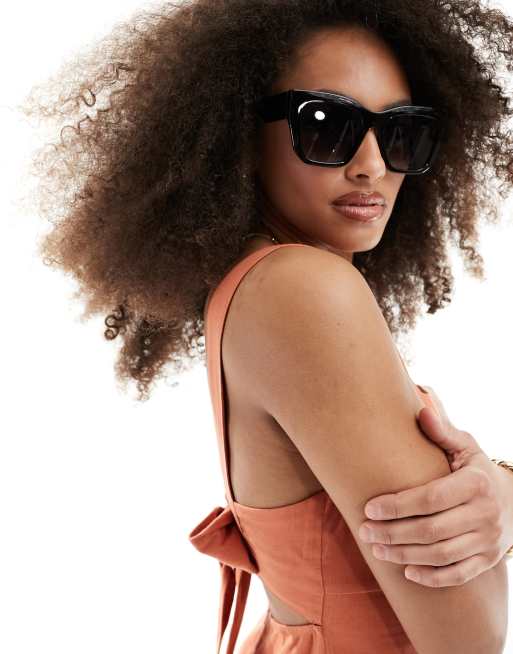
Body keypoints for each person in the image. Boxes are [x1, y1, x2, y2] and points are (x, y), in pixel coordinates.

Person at [19, 0, 513, 652]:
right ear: (239, 133)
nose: (371, 164)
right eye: (326, 124)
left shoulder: (259, 285)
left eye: (401, 132)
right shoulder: (302, 288)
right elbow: (471, 637)